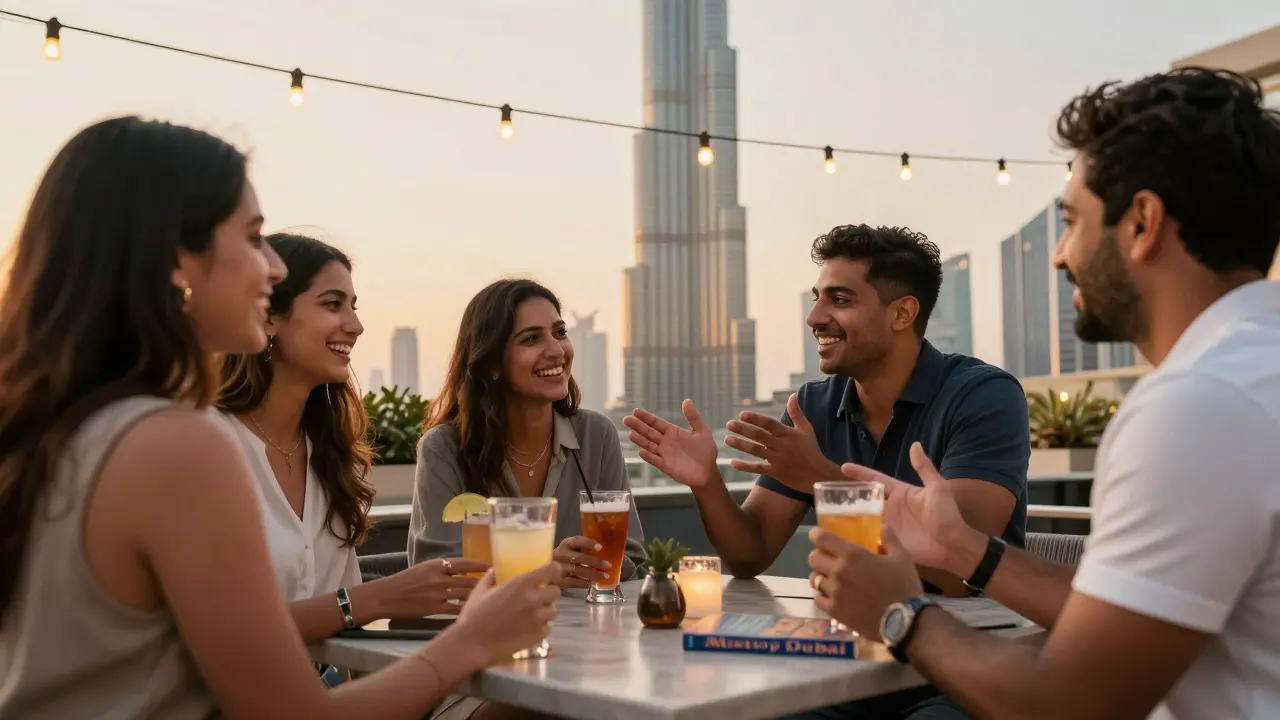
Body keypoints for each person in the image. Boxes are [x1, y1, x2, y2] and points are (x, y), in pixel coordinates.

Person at [0, 116, 561, 719]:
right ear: (175, 262)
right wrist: (470, 641)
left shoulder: (73, 430)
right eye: (253, 238)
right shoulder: (174, 443)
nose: (271, 266)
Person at [808, 67, 1280, 720]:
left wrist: (899, 615)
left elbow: (1070, 701)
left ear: (1142, 222)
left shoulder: (1200, 406)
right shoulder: (1254, 370)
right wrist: (967, 551)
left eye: (1072, 221)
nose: (1060, 255)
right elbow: (1124, 613)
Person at [623, 224, 1030, 594]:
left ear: (902, 313)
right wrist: (707, 481)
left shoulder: (985, 397)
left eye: (839, 299)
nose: (814, 317)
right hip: (853, 630)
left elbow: (964, 567)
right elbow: (750, 554)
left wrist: (821, 477)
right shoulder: (813, 406)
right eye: (818, 298)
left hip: (974, 645)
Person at [219, 232, 486, 651]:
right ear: (269, 316)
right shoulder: (210, 449)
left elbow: (348, 651)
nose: (356, 325)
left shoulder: (329, 454)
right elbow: (223, 634)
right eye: (332, 304)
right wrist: (377, 598)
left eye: (353, 306)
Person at [410, 278, 645, 583]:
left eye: (560, 333)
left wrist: (598, 563)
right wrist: (545, 569)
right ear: (492, 363)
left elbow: (634, 559)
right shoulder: (444, 448)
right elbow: (437, 575)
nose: (556, 350)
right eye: (532, 339)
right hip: (490, 629)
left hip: (586, 628)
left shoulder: (596, 435)